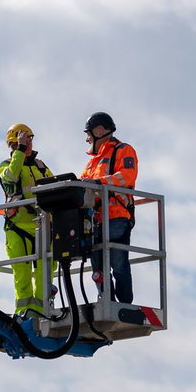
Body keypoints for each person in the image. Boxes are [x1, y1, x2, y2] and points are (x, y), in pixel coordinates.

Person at [0, 122, 53, 318]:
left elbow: (54, 186)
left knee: (45, 271)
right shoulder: (5, 165)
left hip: (42, 225)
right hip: (17, 226)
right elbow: (11, 178)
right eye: (21, 142)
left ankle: (42, 310)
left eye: (28, 140)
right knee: (22, 274)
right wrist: (19, 152)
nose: (26, 144)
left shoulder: (41, 166)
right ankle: (24, 313)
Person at [80, 111, 137, 303]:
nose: (87, 139)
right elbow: (82, 184)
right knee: (97, 263)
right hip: (98, 219)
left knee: (118, 262)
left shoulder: (124, 150)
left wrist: (98, 183)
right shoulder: (93, 161)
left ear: (99, 130)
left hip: (118, 215)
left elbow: (127, 176)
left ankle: (124, 303)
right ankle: (107, 300)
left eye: (88, 133)